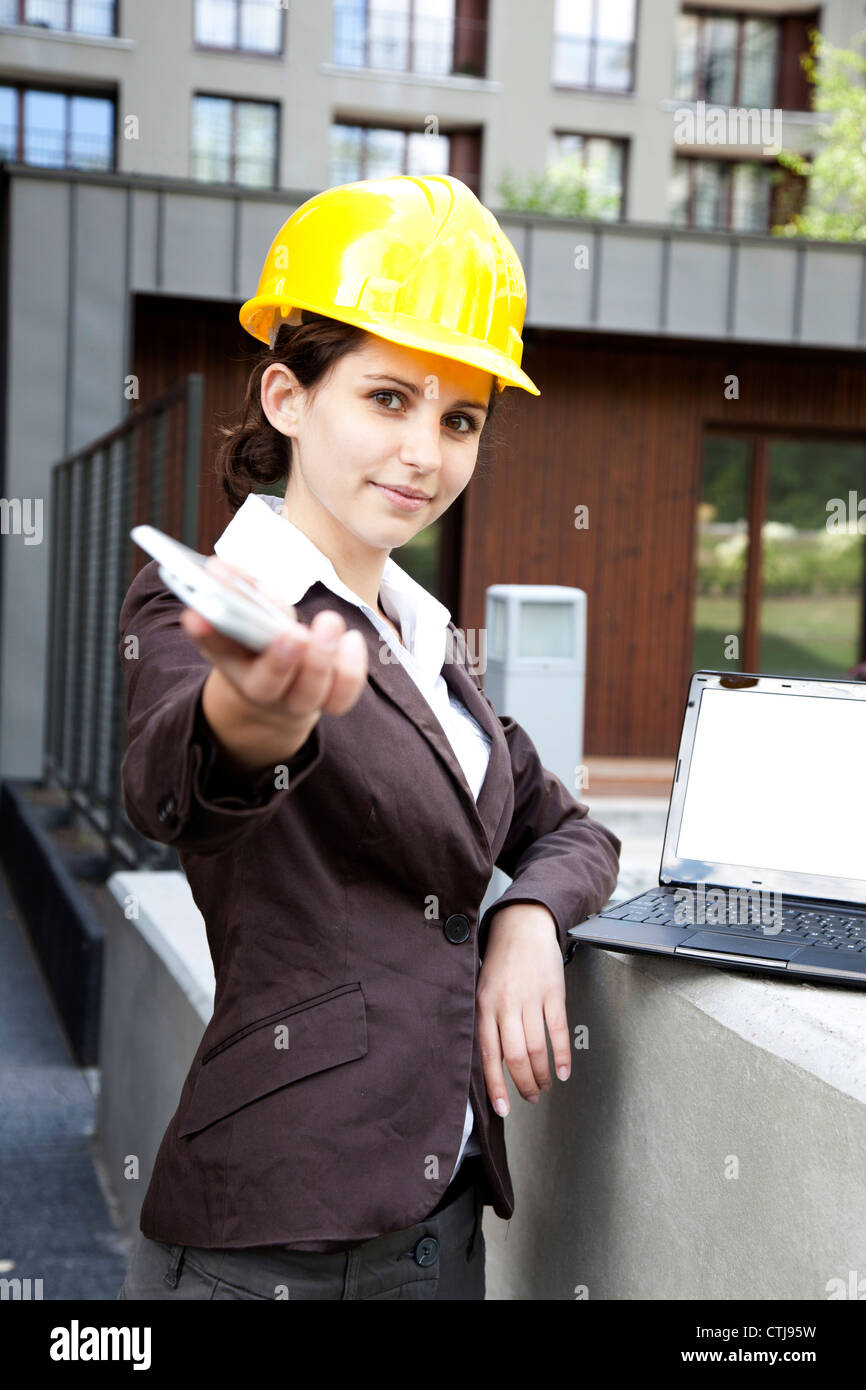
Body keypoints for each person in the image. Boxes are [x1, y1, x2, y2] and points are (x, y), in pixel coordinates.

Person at [115, 174, 622, 1301]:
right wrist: (259, 715)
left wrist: (528, 918)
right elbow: (172, 779)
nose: (423, 453)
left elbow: (568, 828)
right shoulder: (209, 594)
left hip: (442, 1219)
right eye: (387, 398)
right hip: (280, 1240)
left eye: (459, 419)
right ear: (288, 396)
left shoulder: (426, 637)